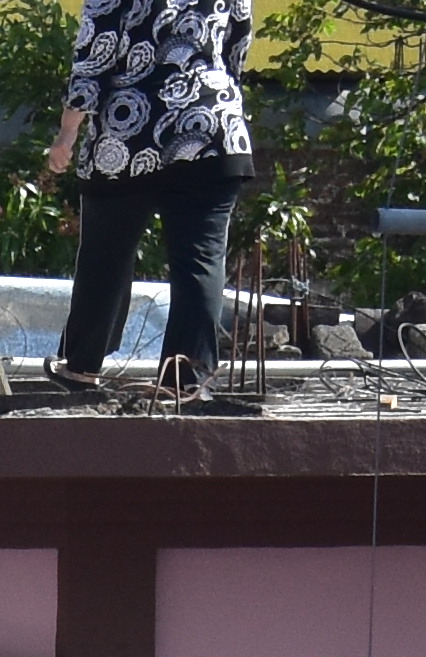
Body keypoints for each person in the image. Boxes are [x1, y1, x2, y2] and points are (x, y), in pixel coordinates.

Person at [46, 0, 250, 398]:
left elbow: (95, 51)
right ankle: (187, 382)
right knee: (201, 261)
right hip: (214, 127)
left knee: (106, 254)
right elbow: (237, 45)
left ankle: (83, 367)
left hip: (132, 130)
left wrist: (67, 133)